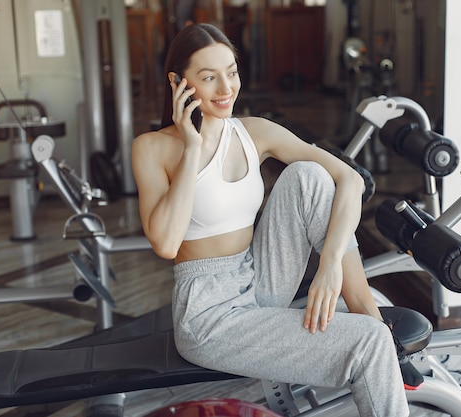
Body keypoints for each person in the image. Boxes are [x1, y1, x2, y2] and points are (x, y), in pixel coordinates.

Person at [132, 23, 418, 417]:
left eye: (231, 72)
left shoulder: (254, 131)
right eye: (208, 77)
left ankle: (367, 310)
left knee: (310, 176)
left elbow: (348, 179)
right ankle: (376, 337)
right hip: (208, 313)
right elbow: (165, 244)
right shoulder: (152, 148)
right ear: (178, 82)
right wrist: (192, 147)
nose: (225, 88)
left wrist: (330, 265)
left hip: (260, 278)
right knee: (368, 342)